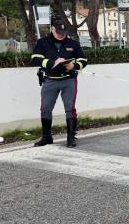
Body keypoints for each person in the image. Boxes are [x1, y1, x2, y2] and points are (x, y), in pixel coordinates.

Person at [29, 19, 88, 148]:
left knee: (70, 108)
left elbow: (83, 60)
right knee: (45, 108)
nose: (61, 34)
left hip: (68, 80)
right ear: (52, 29)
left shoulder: (73, 43)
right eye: (58, 32)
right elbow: (35, 58)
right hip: (50, 80)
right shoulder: (42, 42)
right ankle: (46, 137)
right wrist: (51, 63)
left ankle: (71, 138)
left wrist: (74, 65)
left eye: (63, 32)